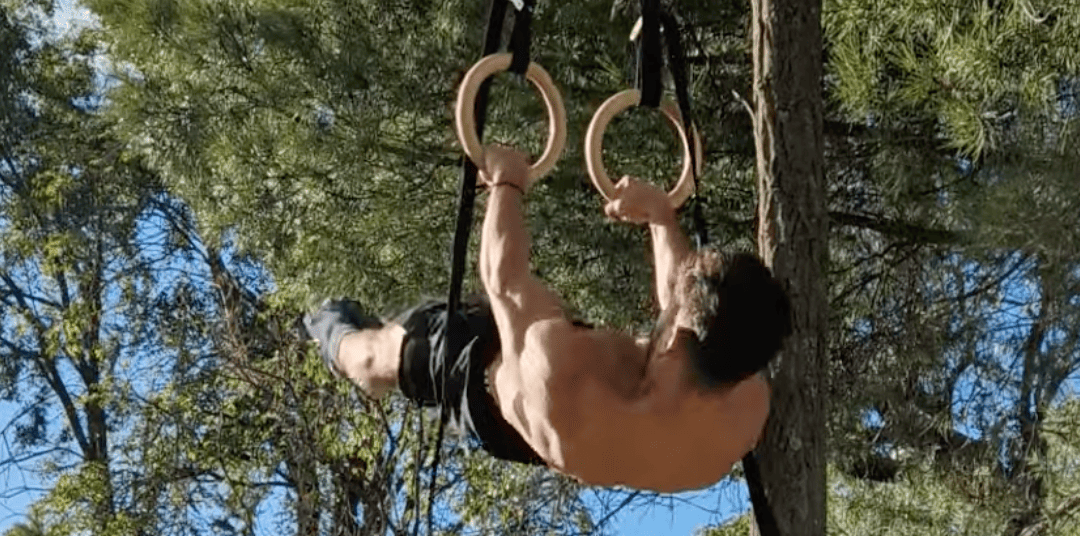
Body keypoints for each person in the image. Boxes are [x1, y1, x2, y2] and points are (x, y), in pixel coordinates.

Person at [304, 145, 791, 492]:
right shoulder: (744, 398)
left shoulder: (564, 387)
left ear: (673, 339)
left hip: (491, 387)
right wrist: (662, 217)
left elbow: (505, 283)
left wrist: (507, 181)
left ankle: (325, 325)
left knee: (375, 357)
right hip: (599, 381)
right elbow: (679, 305)